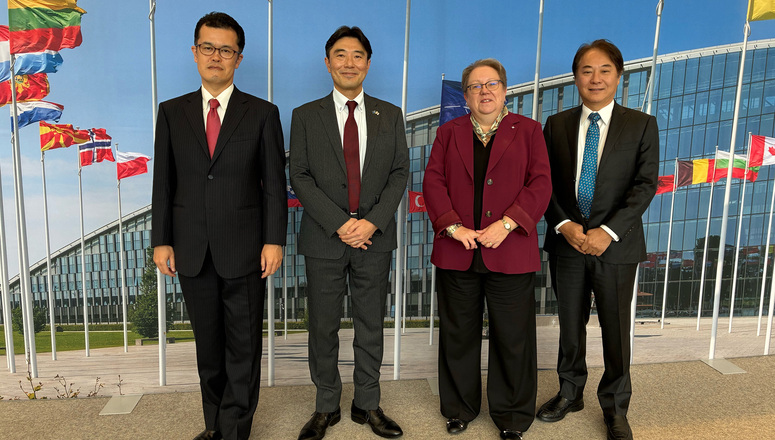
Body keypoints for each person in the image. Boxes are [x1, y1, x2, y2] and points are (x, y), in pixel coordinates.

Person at [151, 12, 287, 440]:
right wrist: (161, 240)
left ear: (238, 59)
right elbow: (163, 182)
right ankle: (215, 427)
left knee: (243, 348)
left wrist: (274, 240)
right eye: (208, 47)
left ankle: (234, 432)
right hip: (191, 248)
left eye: (226, 50)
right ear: (195, 53)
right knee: (209, 351)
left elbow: (274, 185)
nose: (216, 56)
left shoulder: (262, 113)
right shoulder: (171, 112)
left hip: (246, 248)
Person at [289, 26, 409, 440]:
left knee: (370, 324)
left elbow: (399, 173)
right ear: (327, 63)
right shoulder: (305, 116)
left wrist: (371, 222)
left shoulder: (390, 114)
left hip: (375, 237)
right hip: (325, 238)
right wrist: (340, 223)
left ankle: (367, 404)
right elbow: (299, 175)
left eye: (358, 55)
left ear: (368, 64)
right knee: (322, 327)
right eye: (340, 55)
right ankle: (326, 407)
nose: (349, 62)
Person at [422, 58, 552, 440]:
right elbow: (433, 182)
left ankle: (512, 416)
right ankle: (459, 408)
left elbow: (541, 183)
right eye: (475, 86)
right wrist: (452, 226)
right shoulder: (448, 133)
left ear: (505, 90)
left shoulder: (529, 131)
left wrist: (507, 224)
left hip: (509, 249)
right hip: (458, 249)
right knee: (458, 336)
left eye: (491, 84)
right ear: (465, 96)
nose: (484, 91)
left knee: (513, 338)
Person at [539, 39, 659, 440]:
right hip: (568, 243)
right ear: (575, 77)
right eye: (586, 71)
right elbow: (542, 183)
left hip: (617, 245)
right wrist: (564, 225)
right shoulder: (555, 125)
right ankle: (569, 392)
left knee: (615, 329)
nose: (595, 78)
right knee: (570, 325)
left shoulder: (641, 124)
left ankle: (615, 407)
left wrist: (607, 232)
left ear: (618, 76)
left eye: (605, 70)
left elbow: (644, 185)